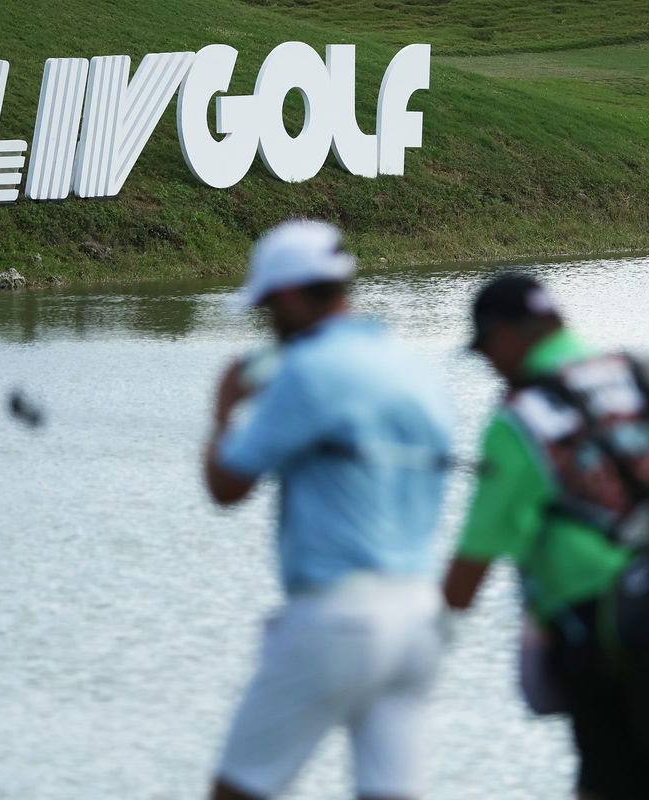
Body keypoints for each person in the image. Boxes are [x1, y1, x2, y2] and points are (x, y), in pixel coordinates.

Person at [441, 273, 649, 800]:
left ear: (510, 336)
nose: (492, 365)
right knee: (648, 778)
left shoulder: (522, 419)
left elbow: (474, 563)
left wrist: (425, 623)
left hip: (600, 634)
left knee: (616, 781)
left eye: (488, 350)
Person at [203, 220, 453, 800]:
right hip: (419, 618)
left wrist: (222, 411)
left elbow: (226, 486)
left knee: (239, 790)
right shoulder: (417, 369)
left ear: (290, 296)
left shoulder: (305, 371)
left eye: (266, 306)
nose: (267, 320)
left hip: (339, 619)